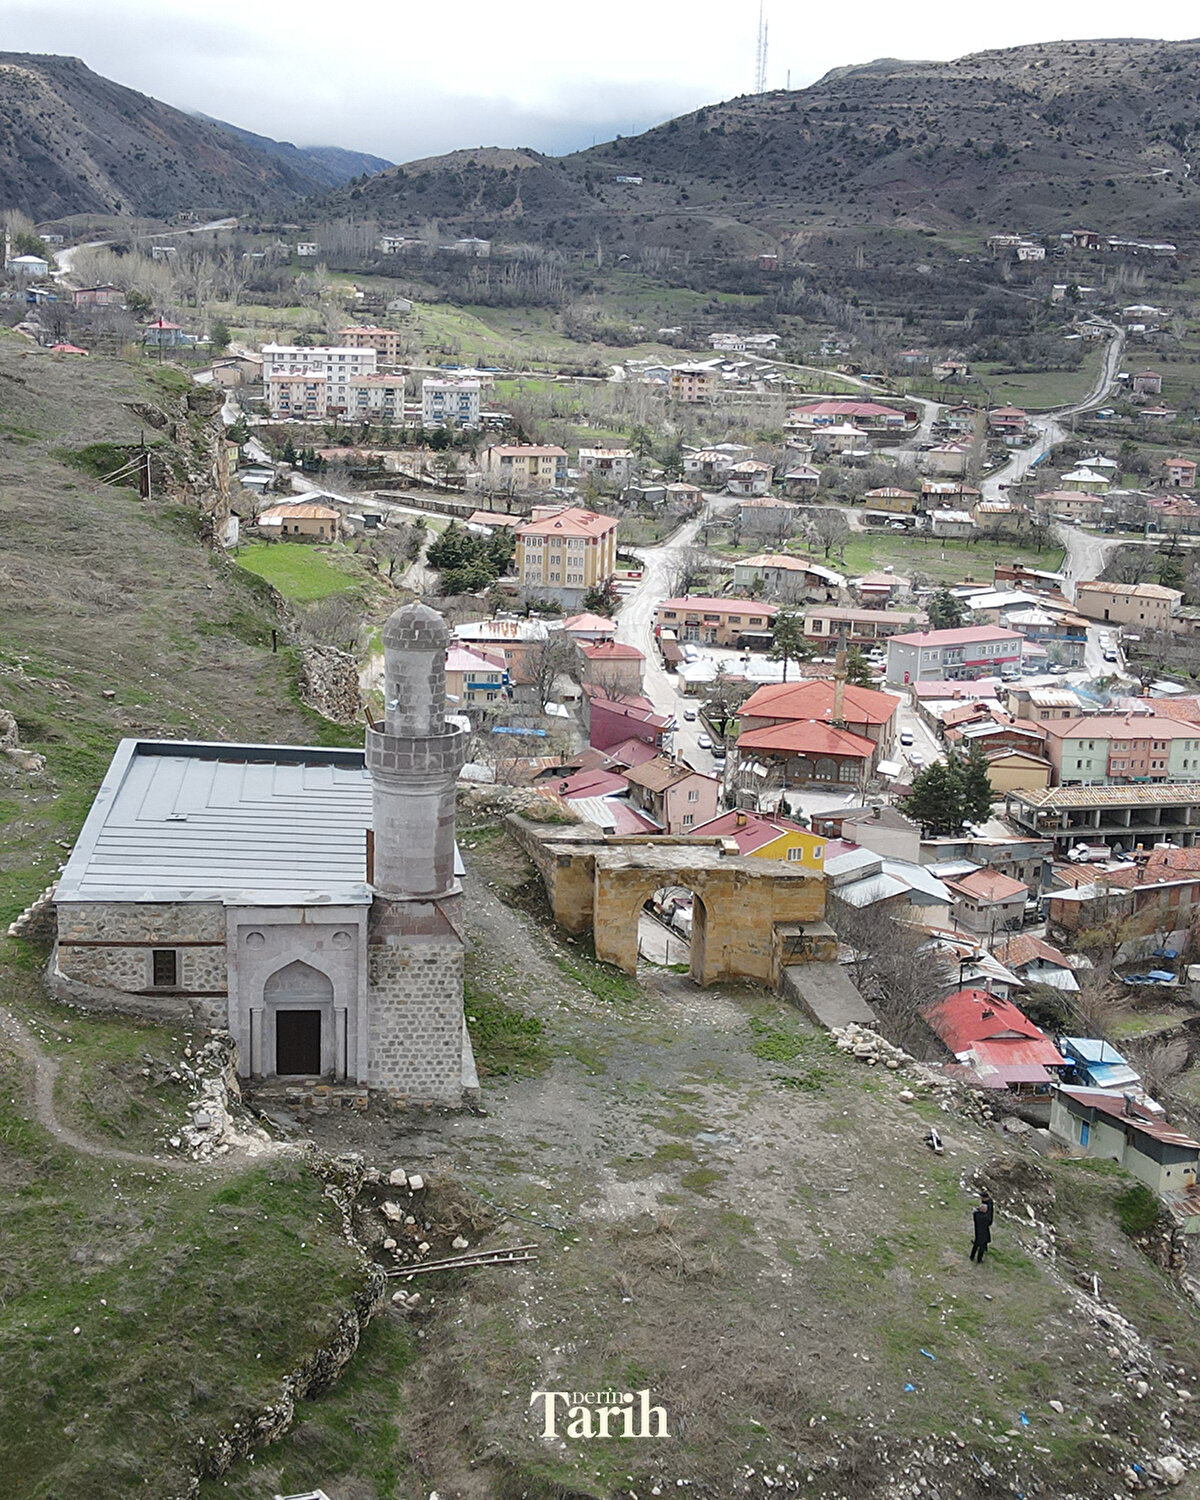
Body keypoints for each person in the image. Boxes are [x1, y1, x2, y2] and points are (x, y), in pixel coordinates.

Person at [970, 1194, 994, 1263]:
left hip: (977, 1231)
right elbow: (988, 1219)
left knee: (976, 1244)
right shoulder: (984, 1218)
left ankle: (972, 1256)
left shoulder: (976, 1215)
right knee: (982, 1246)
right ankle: (979, 1259)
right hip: (983, 1233)